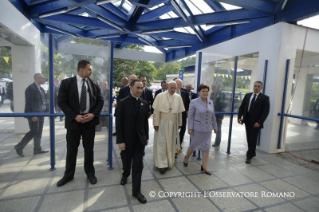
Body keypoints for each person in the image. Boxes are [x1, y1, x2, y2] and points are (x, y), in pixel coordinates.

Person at [57, 60, 104, 186]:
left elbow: (100, 101)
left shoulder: (94, 83)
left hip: (89, 122)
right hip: (74, 122)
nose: (91, 71)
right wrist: (75, 116)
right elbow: (61, 102)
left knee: (89, 150)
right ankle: (68, 175)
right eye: (89, 69)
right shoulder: (67, 83)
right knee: (72, 150)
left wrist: (93, 114)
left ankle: (90, 173)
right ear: (81, 69)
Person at [116, 79, 149, 204]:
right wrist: (120, 141)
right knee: (126, 161)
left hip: (139, 140)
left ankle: (136, 192)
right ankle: (125, 174)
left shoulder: (144, 104)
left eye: (142, 88)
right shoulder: (123, 103)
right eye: (138, 88)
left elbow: (144, 122)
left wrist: (145, 137)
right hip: (126, 140)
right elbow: (119, 124)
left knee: (138, 166)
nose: (140, 90)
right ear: (131, 88)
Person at [183, 84, 218, 175]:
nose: (205, 93)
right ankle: (186, 157)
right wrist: (190, 128)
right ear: (199, 92)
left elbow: (213, 116)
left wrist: (215, 126)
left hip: (207, 129)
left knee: (206, 147)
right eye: (203, 91)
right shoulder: (194, 102)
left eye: (206, 91)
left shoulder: (210, 102)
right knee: (194, 146)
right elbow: (190, 116)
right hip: (197, 129)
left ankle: (204, 166)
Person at [153, 81, 185, 174]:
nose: (173, 90)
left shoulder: (178, 97)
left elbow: (179, 113)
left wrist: (180, 123)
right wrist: (156, 123)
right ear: (167, 87)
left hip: (173, 123)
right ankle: (162, 164)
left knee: (171, 142)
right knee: (162, 143)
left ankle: (170, 161)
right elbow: (156, 112)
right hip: (162, 123)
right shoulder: (160, 96)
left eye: (175, 88)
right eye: (171, 88)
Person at [14, 73, 49, 157]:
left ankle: (37, 148)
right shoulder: (30, 88)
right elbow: (29, 103)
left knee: (39, 131)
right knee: (34, 131)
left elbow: (40, 101)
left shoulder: (41, 89)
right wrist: (33, 115)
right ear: (36, 78)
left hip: (41, 113)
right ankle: (19, 146)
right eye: (42, 78)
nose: (44, 80)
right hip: (34, 114)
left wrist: (46, 103)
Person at [238, 81, 270, 164]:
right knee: (249, 137)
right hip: (247, 120)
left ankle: (248, 156)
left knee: (253, 138)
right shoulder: (247, 95)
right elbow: (242, 107)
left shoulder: (264, 98)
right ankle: (252, 152)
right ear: (253, 86)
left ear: (261, 88)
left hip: (256, 122)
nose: (256, 87)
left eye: (258, 86)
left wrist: (259, 122)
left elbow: (265, 112)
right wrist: (239, 117)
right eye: (255, 86)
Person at [175, 79, 190, 151]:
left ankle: (179, 144)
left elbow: (188, 102)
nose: (179, 86)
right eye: (178, 84)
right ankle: (173, 143)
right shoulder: (171, 92)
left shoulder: (184, 92)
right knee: (174, 130)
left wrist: (187, 110)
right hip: (173, 115)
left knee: (183, 129)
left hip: (183, 114)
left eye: (180, 84)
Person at [210, 83, 226, 147]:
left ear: (218, 87)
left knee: (218, 129)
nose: (212, 88)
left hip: (218, 114)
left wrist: (221, 116)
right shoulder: (212, 94)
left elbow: (223, 105)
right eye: (212, 87)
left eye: (213, 87)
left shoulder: (222, 94)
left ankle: (217, 142)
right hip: (212, 114)